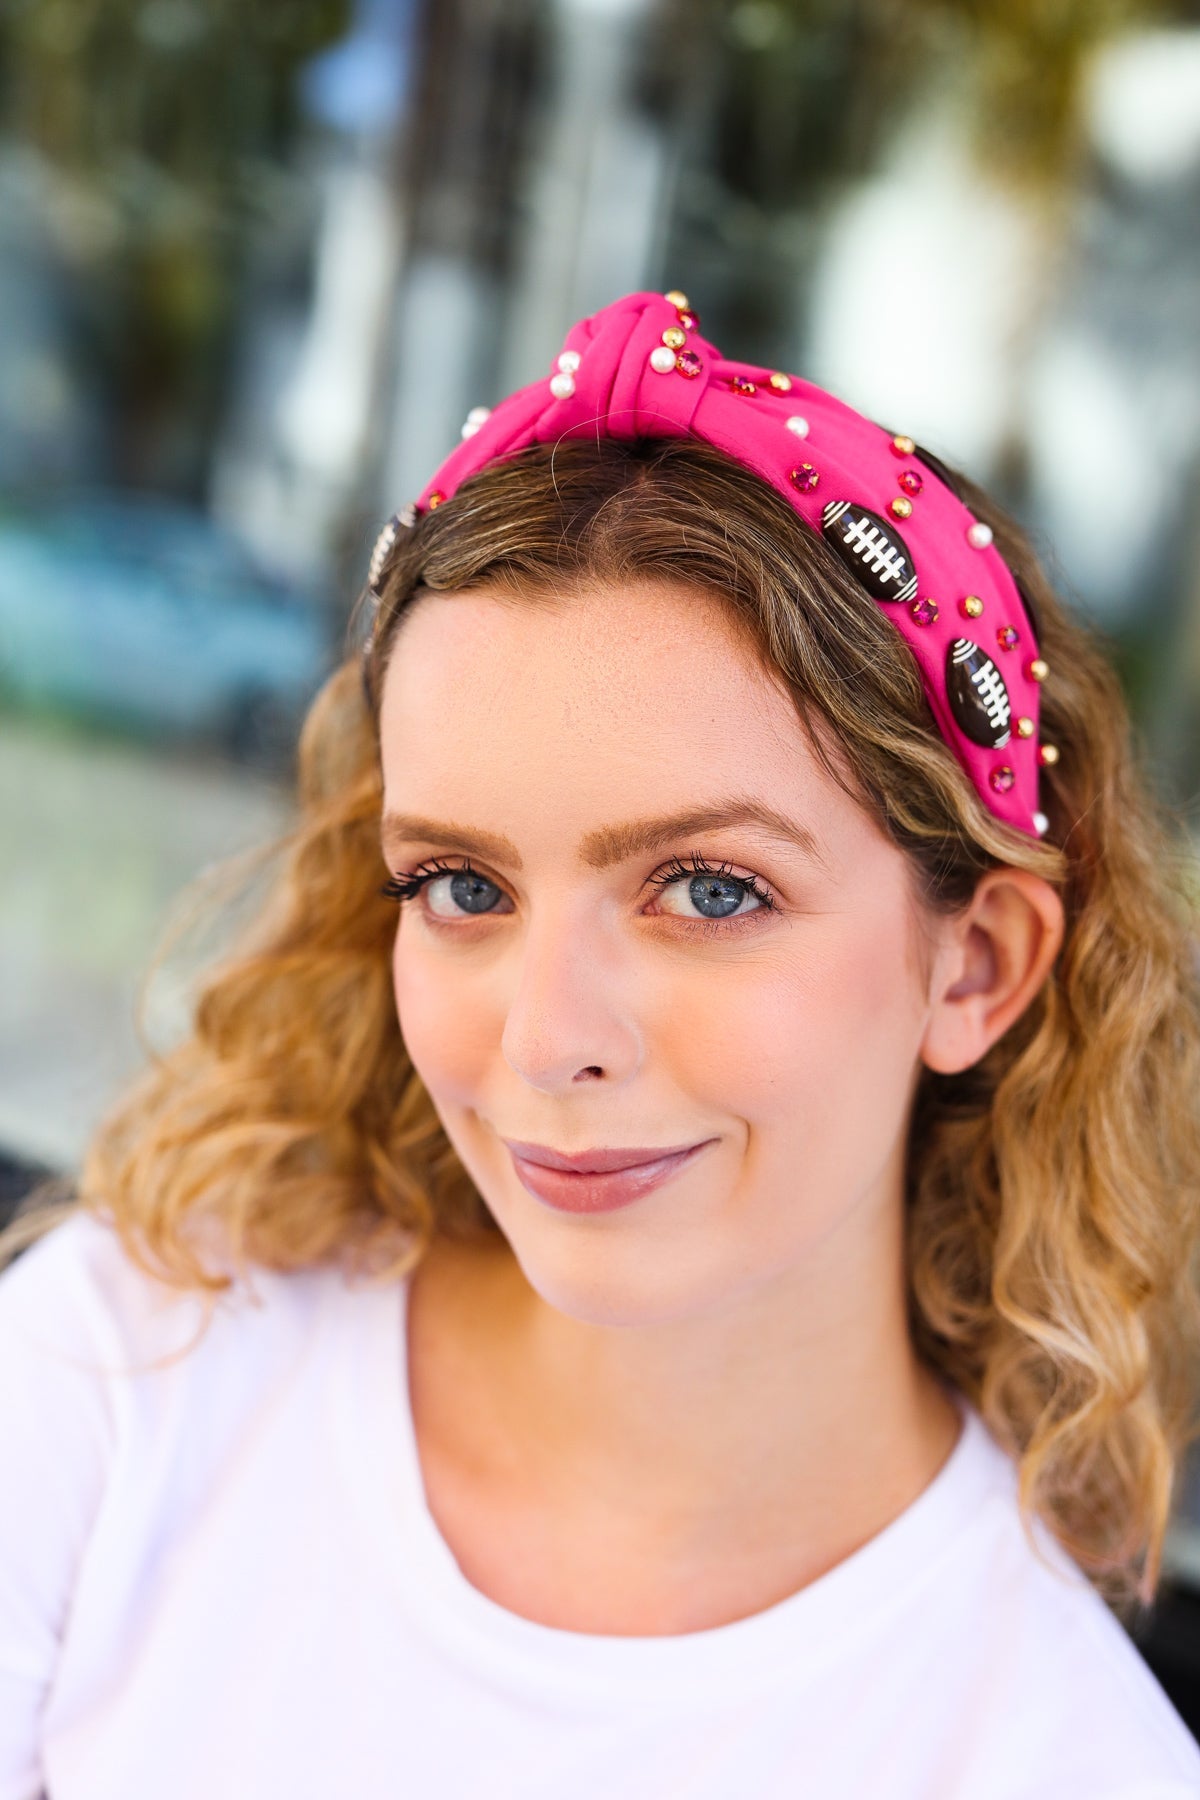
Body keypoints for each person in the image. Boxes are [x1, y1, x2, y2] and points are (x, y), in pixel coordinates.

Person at [2, 289, 1200, 1798]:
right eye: (461, 886)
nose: (547, 1034)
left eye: (709, 890)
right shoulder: (131, 1370)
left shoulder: (1061, 1755)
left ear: (976, 964)